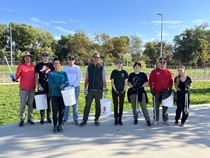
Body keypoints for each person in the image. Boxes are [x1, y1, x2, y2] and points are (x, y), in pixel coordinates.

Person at [79, 52, 107, 127]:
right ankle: (84, 120)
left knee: (98, 106)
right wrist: (85, 88)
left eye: (98, 58)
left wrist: (105, 89)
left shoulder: (102, 68)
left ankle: (96, 119)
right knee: (87, 106)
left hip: (99, 90)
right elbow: (86, 78)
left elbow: (103, 79)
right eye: (95, 57)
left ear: (99, 59)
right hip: (90, 90)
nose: (96, 59)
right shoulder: (89, 67)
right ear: (93, 58)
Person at [10, 51, 36, 127]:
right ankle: (22, 119)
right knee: (22, 104)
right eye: (26, 56)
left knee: (31, 104)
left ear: (30, 58)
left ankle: (30, 119)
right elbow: (17, 76)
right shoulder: (21, 66)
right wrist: (14, 78)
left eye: (29, 56)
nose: (27, 58)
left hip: (32, 88)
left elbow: (36, 76)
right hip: (23, 89)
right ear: (24, 58)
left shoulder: (33, 66)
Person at [149, 57, 173, 125]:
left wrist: (170, 88)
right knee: (156, 106)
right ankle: (156, 119)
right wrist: (152, 89)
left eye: (164, 62)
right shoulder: (154, 71)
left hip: (165, 92)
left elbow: (171, 81)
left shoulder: (169, 72)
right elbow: (151, 81)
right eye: (161, 62)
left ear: (166, 63)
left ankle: (165, 119)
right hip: (156, 92)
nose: (162, 64)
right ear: (158, 63)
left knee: (165, 106)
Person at [48, 58, 69, 133]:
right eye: (55, 63)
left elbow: (67, 82)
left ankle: (60, 125)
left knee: (62, 110)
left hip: (63, 95)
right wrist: (58, 86)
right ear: (53, 65)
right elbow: (50, 83)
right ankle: (55, 125)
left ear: (60, 64)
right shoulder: (51, 74)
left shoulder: (64, 73)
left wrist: (63, 85)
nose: (57, 65)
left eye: (58, 63)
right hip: (55, 95)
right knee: (55, 110)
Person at [128, 62, 151, 126]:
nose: (137, 67)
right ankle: (135, 118)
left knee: (143, 106)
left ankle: (147, 119)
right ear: (134, 67)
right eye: (135, 66)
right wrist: (132, 86)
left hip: (141, 92)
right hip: (133, 92)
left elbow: (147, 82)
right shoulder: (131, 74)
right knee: (134, 106)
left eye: (138, 66)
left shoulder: (143, 74)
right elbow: (128, 82)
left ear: (140, 68)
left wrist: (141, 86)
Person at [35, 51, 54, 124]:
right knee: (42, 102)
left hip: (49, 86)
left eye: (46, 56)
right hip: (41, 86)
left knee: (49, 102)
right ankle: (42, 118)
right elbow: (36, 76)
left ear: (48, 57)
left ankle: (49, 117)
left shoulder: (51, 65)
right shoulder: (38, 65)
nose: (45, 57)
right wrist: (38, 85)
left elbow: (53, 75)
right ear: (42, 57)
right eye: (43, 56)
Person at [62, 55, 81, 125]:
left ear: (74, 60)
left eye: (72, 59)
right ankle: (65, 118)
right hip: (67, 88)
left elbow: (79, 78)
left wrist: (74, 85)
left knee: (75, 103)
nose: (71, 61)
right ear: (68, 60)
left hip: (75, 87)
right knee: (67, 104)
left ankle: (75, 119)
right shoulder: (65, 68)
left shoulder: (77, 68)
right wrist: (67, 85)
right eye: (70, 59)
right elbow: (63, 77)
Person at [110, 59, 128, 125]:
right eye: (118, 63)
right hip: (115, 91)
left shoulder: (124, 72)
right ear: (116, 64)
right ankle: (116, 119)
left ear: (122, 64)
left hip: (122, 91)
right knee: (115, 105)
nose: (119, 64)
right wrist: (115, 90)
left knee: (121, 105)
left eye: (120, 63)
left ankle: (120, 119)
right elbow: (112, 82)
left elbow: (126, 83)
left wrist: (123, 90)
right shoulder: (114, 72)